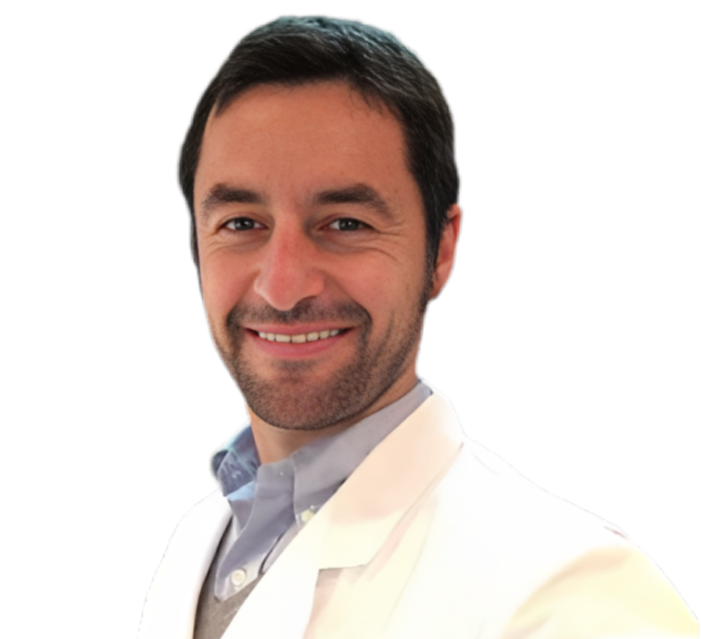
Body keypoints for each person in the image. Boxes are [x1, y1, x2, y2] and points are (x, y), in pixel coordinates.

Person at [138, 14, 698, 639]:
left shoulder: (574, 597)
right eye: (241, 224)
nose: (282, 285)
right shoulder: (196, 542)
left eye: (346, 223)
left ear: (441, 249)